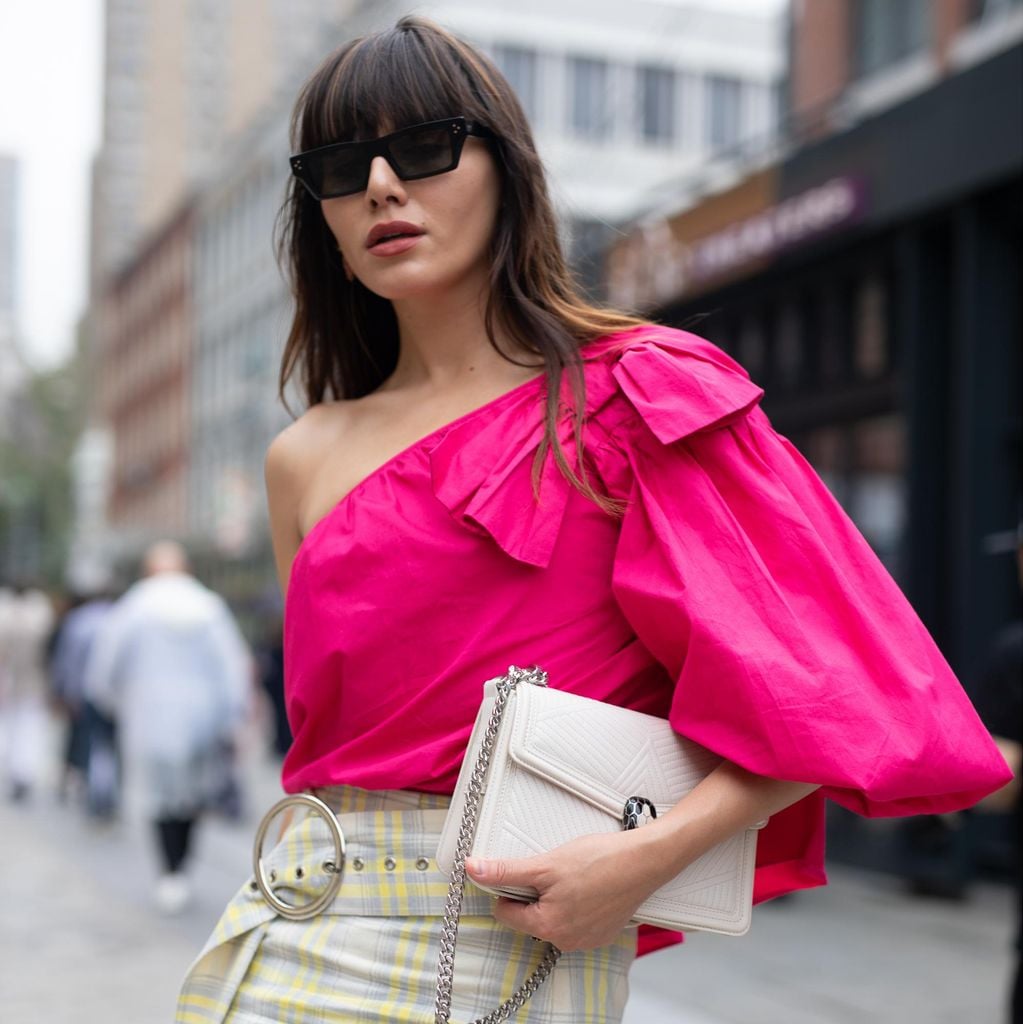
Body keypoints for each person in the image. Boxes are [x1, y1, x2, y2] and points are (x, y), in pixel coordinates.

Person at [176, 17, 1011, 1023]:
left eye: (426, 148)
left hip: (511, 941)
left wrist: (641, 860)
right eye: (343, 165)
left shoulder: (636, 396)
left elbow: (835, 698)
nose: (384, 186)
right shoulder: (301, 455)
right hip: (295, 922)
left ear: (508, 168)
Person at [85, 540, 251, 914]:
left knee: (159, 796)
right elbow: (232, 665)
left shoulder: (135, 606)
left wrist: (109, 701)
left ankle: (169, 869)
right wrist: (233, 713)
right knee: (192, 796)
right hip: (203, 716)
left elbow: (106, 665)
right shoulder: (209, 606)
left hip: (149, 715)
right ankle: (182, 865)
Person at [0, 580, 55, 802]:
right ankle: (22, 774)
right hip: (30, 681)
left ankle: (18, 773)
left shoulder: (6, 616)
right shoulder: (40, 617)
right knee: (27, 729)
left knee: (13, 728)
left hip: (19, 681)